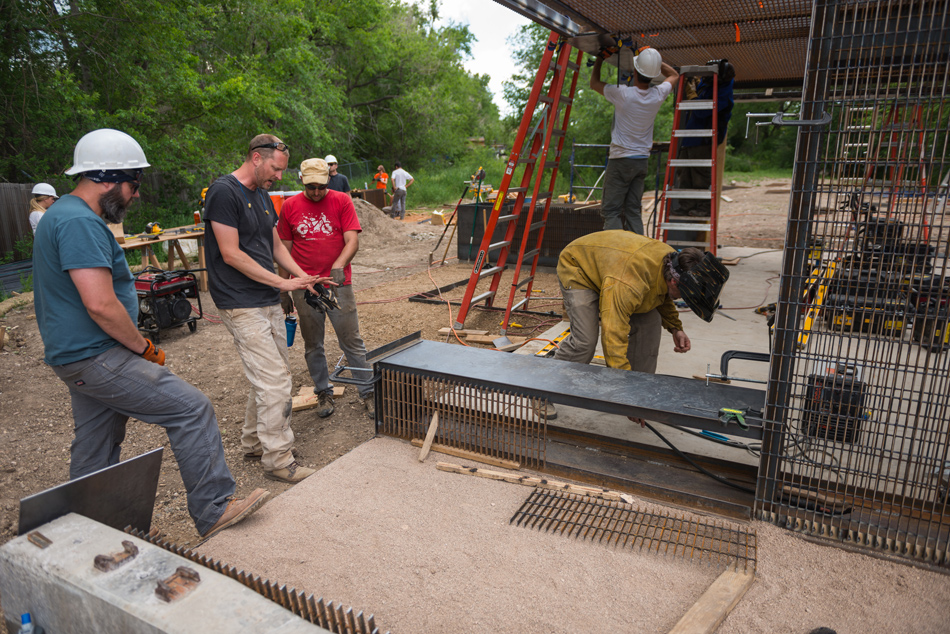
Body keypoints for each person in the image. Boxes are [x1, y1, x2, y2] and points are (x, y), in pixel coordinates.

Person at [32, 128, 268, 539]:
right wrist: (142, 347)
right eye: (133, 183)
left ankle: (93, 529)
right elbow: (100, 304)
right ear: (107, 177)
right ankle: (213, 509)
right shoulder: (79, 223)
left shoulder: (61, 215)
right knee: (191, 409)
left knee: (97, 444)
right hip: (98, 354)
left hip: (75, 357)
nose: (136, 194)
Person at [204, 134, 326, 484]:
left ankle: (255, 441)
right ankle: (278, 460)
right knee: (275, 381)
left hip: (266, 298)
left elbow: (273, 244)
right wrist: (281, 283)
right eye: (276, 168)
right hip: (240, 302)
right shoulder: (224, 192)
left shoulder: (260, 194)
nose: (279, 177)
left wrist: (303, 277)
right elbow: (230, 253)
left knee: (271, 373)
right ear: (256, 158)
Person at [549, 231, 729, 420]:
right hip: (579, 267)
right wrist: (626, 395)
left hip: (615, 268)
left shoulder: (671, 263)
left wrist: (676, 328)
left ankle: (640, 396)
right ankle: (542, 389)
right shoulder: (629, 284)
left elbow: (662, 294)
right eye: (682, 294)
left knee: (649, 330)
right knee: (584, 342)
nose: (682, 299)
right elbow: (613, 337)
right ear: (674, 281)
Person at [277, 158, 375, 419]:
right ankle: (323, 391)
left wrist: (339, 264)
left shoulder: (342, 201)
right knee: (312, 343)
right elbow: (284, 248)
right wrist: (284, 288)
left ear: (328, 180)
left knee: (351, 340)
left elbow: (352, 239)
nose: (317, 192)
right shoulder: (290, 206)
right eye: (311, 187)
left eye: (321, 186)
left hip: (337, 282)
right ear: (301, 181)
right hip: (303, 285)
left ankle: (367, 392)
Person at [590, 47, 678, 234]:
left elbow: (594, 83)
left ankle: (615, 255)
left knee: (611, 211)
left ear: (636, 71)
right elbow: (674, 75)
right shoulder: (657, 95)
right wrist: (654, 60)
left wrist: (600, 59)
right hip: (641, 162)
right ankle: (637, 255)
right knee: (632, 211)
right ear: (654, 75)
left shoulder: (623, 94)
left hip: (621, 161)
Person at [674, 59, 736, 219]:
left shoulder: (723, 93)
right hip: (691, 138)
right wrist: (695, 83)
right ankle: (686, 206)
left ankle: (703, 207)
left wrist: (692, 95)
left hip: (704, 139)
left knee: (700, 176)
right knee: (685, 174)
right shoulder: (710, 85)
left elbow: (702, 111)